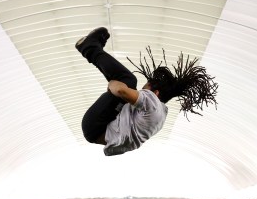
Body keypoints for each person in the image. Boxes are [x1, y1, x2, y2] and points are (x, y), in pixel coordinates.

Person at [76, 27, 218, 156]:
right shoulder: (160, 116)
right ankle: (94, 50)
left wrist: (113, 85)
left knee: (128, 80)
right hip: (98, 132)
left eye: (145, 88)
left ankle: (89, 47)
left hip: (95, 125)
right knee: (125, 87)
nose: (140, 91)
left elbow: (120, 90)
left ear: (155, 93)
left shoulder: (152, 103)